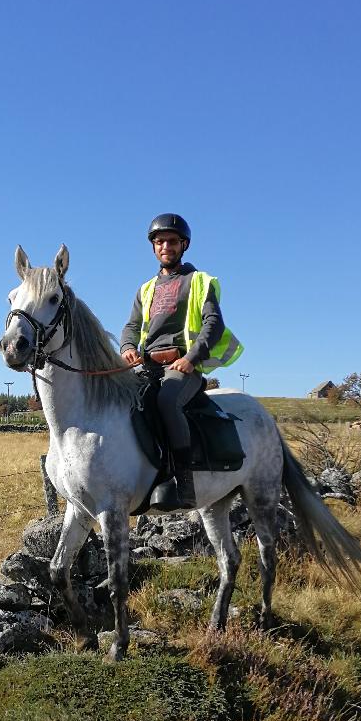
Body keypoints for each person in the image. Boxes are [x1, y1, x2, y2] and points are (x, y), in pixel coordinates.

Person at [120, 214, 242, 510]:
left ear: (183, 245)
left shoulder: (200, 281)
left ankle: (182, 483)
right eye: (159, 241)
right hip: (147, 367)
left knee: (167, 401)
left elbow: (213, 323)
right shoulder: (145, 289)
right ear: (153, 248)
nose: (165, 246)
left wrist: (191, 358)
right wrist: (127, 347)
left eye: (172, 241)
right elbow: (132, 326)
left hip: (182, 366)